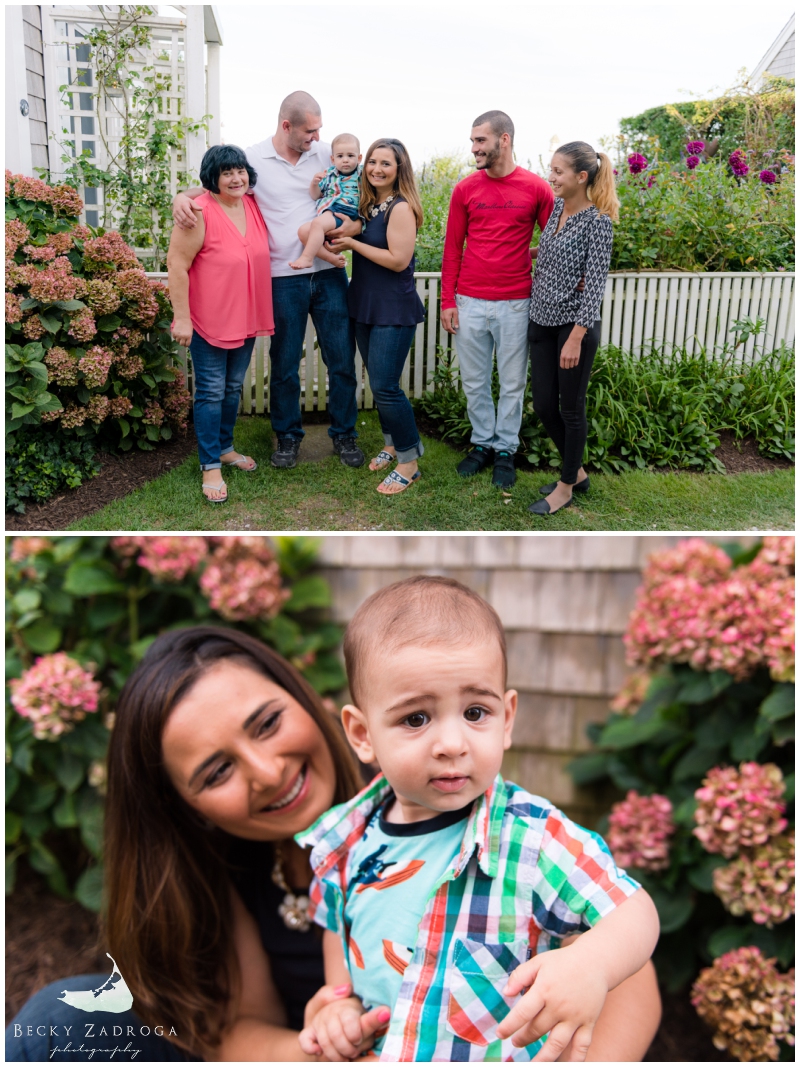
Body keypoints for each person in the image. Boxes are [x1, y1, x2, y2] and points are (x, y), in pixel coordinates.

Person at [297, 576, 662, 1062]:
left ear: (506, 719)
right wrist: (336, 1009)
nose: (452, 743)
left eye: (475, 711)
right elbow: (336, 932)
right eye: (415, 719)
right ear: (362, 734)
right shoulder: (345, 841)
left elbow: (633, 910)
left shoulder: (530, 839)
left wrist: (590, 963)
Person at [6, 627, 389, 1061]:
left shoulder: (419, 809)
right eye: (218, 772)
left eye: (267, 723)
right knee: (60, 1026)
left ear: (301, 697)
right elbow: (237, 1032)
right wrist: (328, 1053)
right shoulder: (226, 859)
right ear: (188, 809)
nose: (266, 773)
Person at [173, 91, 365, 471]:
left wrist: (355, 226)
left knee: (341, 359)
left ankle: (344, 434)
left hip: (328, 274)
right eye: (309, 131)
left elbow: (360, 190)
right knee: (285, 364)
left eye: (319, 130)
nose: (316, 137)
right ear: (286, 126)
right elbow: (220, 183)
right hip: (281, 277)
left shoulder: (329, 152)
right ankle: (288, 437)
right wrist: (182, 194)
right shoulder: (253, 157)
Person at [440, 111, 554, 490]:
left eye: (480, 141)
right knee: (474, 382)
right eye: (473, 141)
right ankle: (482, 444)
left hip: (517, 303)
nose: (474, 148)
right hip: (469, 300)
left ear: (503, 140)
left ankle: (506, 450)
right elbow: (452, 248)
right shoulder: (465, 189)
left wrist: (526, 254)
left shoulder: (537, 188)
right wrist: (447, 301)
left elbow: (555, 241)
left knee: (511, 384)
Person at [168, 145, 273, 504]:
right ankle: (210, 464)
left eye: (240, 170)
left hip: (245, 317)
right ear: (212, 177)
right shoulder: (198, 213)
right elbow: (177, 265)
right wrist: (182, 318)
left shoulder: (253, 204)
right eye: (226, 172)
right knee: (211, 392)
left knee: (231, 388)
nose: (235, 178)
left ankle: (226, 448)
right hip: (207, 320)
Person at [328, 139, 425, 495]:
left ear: (400, 170)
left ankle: (409, 459)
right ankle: (390, 443)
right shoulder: (370, 205)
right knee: (378, 383)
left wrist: (353, 245)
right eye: (372, 161)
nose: (376, 169)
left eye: (386, 163)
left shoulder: (400, 208)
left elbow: (398, 260)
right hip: (365, 304)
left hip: (393, 308)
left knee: (386, 386)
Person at [527, 142, 618, 517]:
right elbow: (551, 254)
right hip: (541, 320)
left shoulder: (599, 223)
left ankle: (565, 486)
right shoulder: (558, 210)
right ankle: (577, 472)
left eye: (558, 172)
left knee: (570, 409)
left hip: (572, 328)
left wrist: (577, 337)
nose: (551, 178)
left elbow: (594, 284)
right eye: (551, 170)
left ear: (581, 177)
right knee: (544, 404)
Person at [290, 134, 362, 271]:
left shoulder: (361, 174)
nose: (345, 160)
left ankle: (307, 258)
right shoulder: (328, 174)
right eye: (340, 156)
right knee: (303, 231)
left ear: (359, 158)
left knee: (317, 223)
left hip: (346, 209)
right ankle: (332, 258)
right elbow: (315, 196)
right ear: (333, 159)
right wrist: (314, 184)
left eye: (350, 156)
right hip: (329, 211)